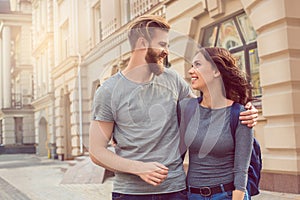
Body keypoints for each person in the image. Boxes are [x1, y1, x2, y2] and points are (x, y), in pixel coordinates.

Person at [89, 15, 258, 200]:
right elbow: (97, 152)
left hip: (175, 191)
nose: (166, 52)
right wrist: (138, 168)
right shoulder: (108, 91)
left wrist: (246, 110)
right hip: (130, 193)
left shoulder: (173, 80)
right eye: (162, 44)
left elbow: (207, 108)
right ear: (142, 43)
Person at [179, 47, 254, 200]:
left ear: (216, 71)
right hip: (192, 195)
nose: (191, 71)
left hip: (226, 195)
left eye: (197, 65)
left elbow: (241, 170)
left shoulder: (240, 113)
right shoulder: (186, 108)